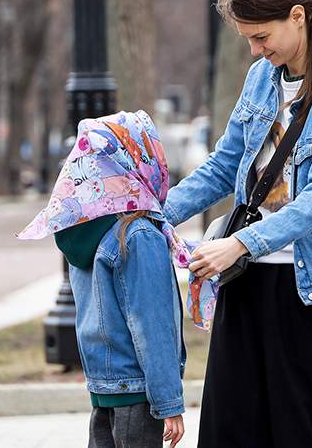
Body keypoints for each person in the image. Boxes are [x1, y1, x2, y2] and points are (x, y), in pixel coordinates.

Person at [163, 0, 312, 447]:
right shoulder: (262, 78)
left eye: (262, 37)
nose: (257, 50)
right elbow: (223, 166)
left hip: (311, 283)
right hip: (247, 276)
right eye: (249, 40)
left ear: (298, 17)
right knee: (232, 424)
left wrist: (239, 243)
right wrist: (156, 215)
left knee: (305, 425)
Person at [18, 111, 188, 448]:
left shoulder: (82, 230)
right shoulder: (137, 234)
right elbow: (151, 326)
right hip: (138, 393)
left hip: (104, 389)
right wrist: (170, 402)